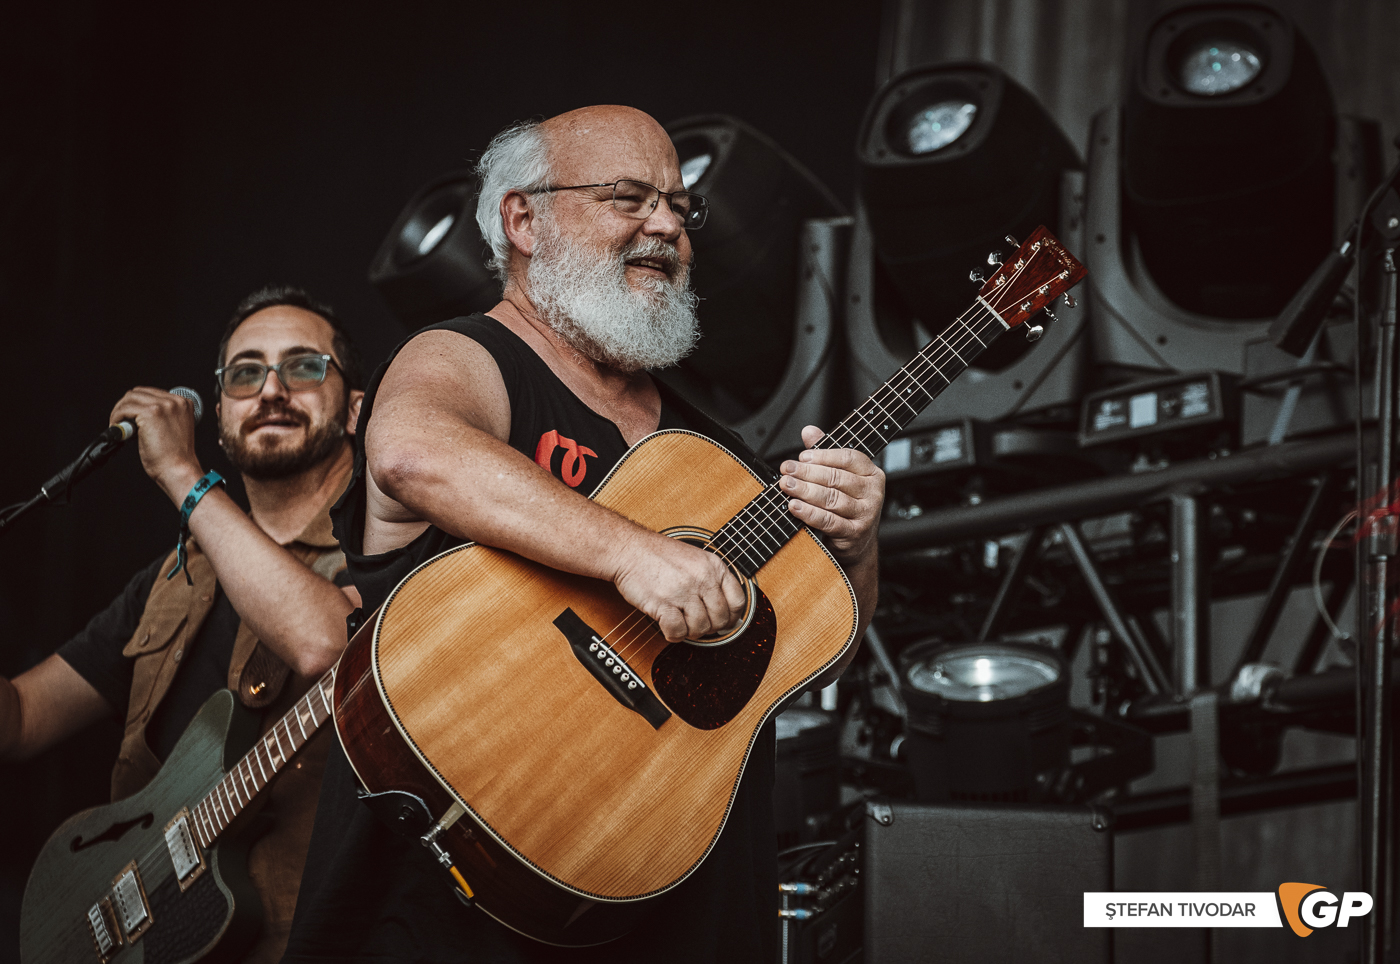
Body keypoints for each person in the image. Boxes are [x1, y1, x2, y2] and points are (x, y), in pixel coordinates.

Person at [282, 106, 884, 963]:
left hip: (680, 899)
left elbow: (816, 653)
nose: (668, 226)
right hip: (450, 909)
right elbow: (415, 453)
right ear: (522, 220)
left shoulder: (714, 455)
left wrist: (857, 546)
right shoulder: (466, 358)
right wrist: (636, 554)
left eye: (681, 207)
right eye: (628, 198)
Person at [0, 286, 367, 964]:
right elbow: (20, 719)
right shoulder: (176, 577)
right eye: (245, 372)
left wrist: (180, 473)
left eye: (305, 366)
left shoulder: (387, 545)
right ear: (222, 413)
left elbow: (325, 643)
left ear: (353, 409)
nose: (273, 388)